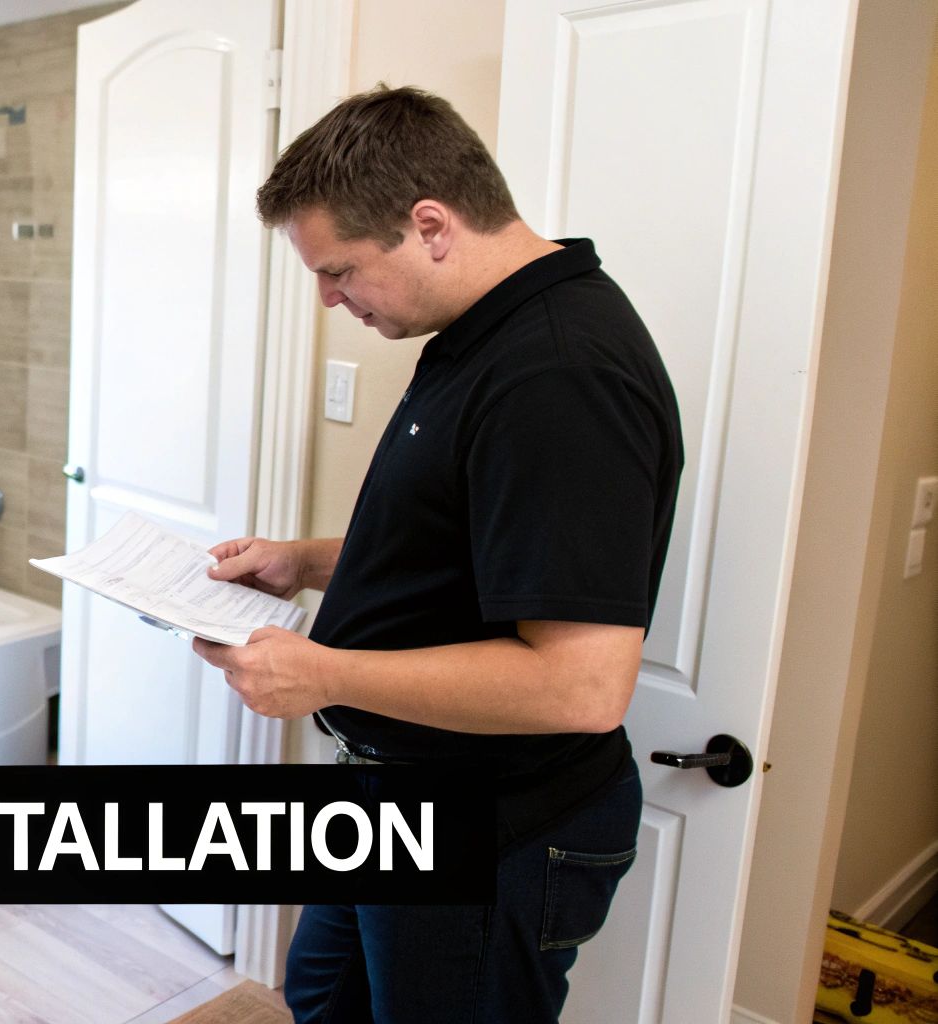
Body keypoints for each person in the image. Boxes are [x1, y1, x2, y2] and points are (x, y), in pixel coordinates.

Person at [191, 85, 684, 1022]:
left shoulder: (559, 372)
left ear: (430, 225)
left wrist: (323, 673)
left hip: (493, 828)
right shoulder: (479, 335)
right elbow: (473, 542)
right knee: (324, 996)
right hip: (392, 798)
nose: (328, 297)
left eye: (339, 270)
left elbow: (580, 687)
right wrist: (306, 561)